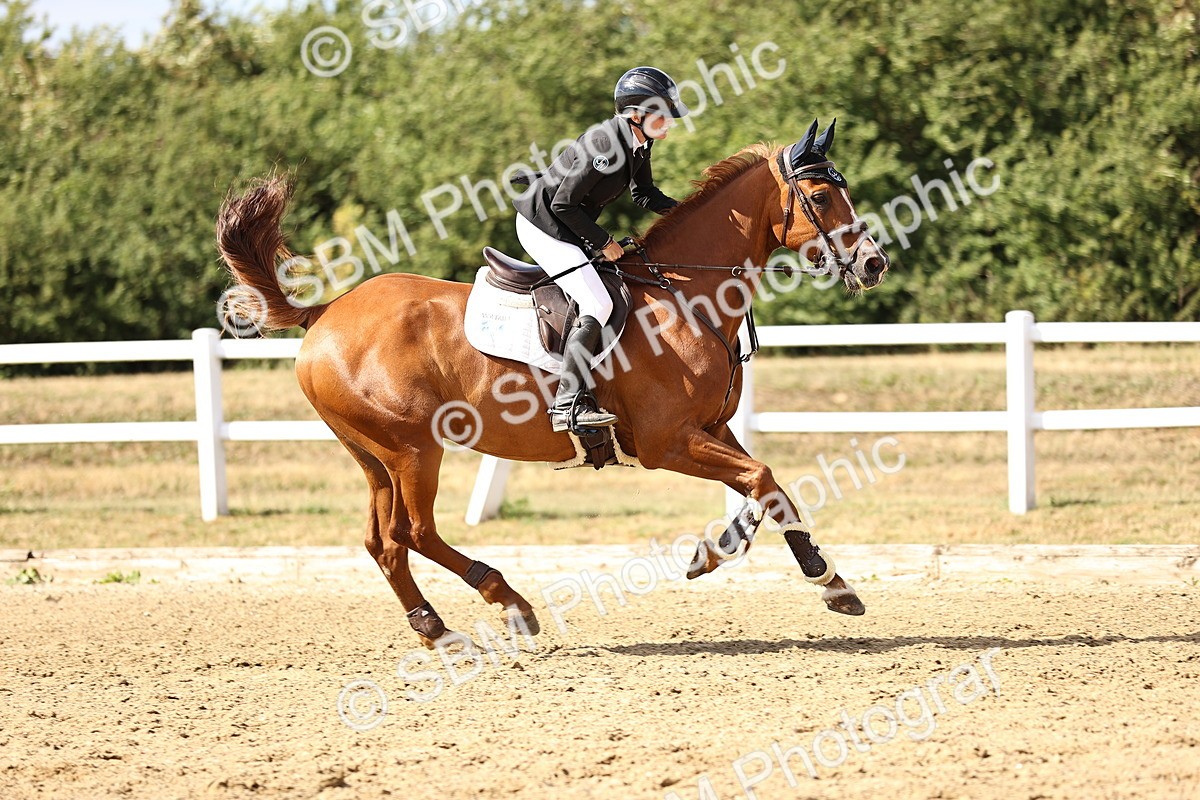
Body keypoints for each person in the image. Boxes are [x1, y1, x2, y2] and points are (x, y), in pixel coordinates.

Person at [511, 66, 688, 435]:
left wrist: (689, 213)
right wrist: (604, 242)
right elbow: (562, 204)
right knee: (598, 303)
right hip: (542, 224)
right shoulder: (605, 144)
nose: (670, 122)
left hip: (568, 224)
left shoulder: (639, 142)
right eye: (663, 114)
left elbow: (644, 194)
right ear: (636, 114)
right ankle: (566, 404)